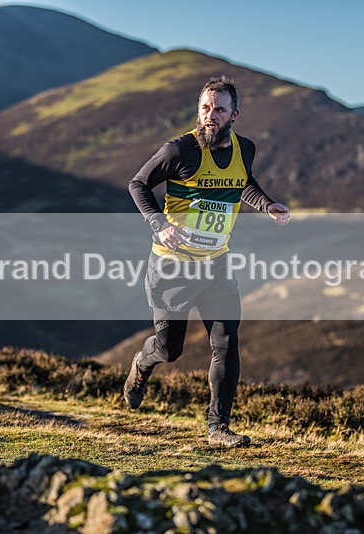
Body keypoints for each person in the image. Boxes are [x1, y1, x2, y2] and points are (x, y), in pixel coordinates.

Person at [124, 76, 291, 448]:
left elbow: (242, 181)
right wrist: (159, 224)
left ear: (234, 114)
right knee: (170, 350)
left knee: (227, 343)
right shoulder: (178, 151)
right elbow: (138, 184)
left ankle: (219, 427)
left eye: (218, 109)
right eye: (204, 108)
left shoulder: (243, 148)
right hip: (172, 268)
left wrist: (266, 204)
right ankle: (142, 364)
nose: (210, 115)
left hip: (216, 265)